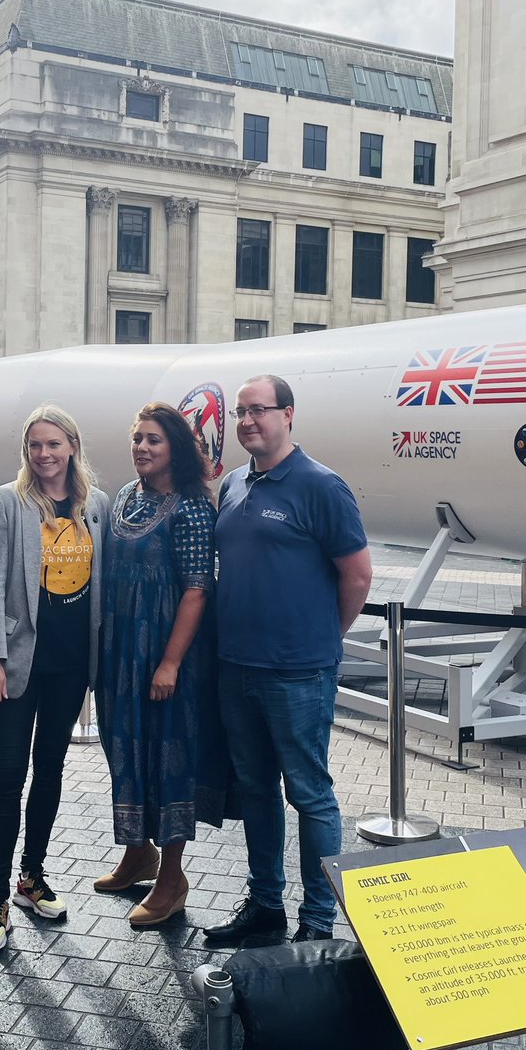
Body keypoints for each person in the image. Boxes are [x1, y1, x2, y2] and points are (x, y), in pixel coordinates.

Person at [204, 374, 372, 945]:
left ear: (289, 415)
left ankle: (319, 919)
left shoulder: (321, 486)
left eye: (260, 411)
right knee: (255, 789)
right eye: (242, 413)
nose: (248, 421)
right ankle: (266, 903)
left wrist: (325, 636)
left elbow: (357, 574)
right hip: (236, 666)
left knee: (309, 794)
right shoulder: (232, 485)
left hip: (298, 672)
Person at [0, 406, 109, 951]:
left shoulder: (94, 505)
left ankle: (32, 877)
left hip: (70, 663)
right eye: (35, 446)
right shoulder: (8, 502)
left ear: (73, 445)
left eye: (54, 444)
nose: (45, 455)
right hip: (17, 662)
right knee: (9, 776)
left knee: (49, 770)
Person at [95, 400, 225, 927]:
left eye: (154, 440)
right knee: (124, 748)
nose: (142, 448)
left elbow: (197, 591)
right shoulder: (125, 497)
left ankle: (172, 879)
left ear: (176, 448)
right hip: (120, 651)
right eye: (137, 439)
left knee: (167, 757)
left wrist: (170, 663)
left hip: (167, 652)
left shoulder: (193, 507)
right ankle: (138, 852)